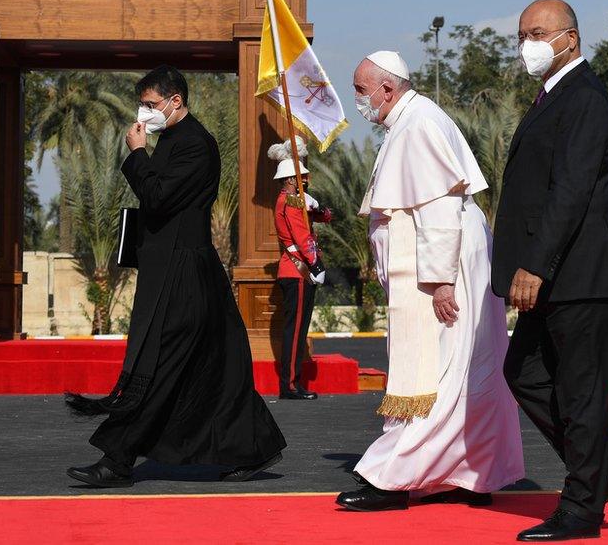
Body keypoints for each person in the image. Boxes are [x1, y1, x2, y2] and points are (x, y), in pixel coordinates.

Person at [64, 66, 286, 487]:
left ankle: (118, 459)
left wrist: (136, 154)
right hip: (169, 268)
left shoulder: (197, 145)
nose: (144, 112)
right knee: (215, 370)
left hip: (186, 275)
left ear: (175, 101)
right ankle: (256, 446)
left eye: (151, 104)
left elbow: (158, 197)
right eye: (143, 105)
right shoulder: (171, 140)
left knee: (161, 362)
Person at [336, 50, 525, 512]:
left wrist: (440, 281)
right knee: (464, 369)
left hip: (446, 265)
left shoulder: (419, 122)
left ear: (387, 88)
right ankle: (471, 472)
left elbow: (440, 207)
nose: (357, 100)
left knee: (441, 369)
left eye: (361, 90)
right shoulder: (406, 121)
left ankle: (394, 478)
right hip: (443, 262)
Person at [491, 0, 608, 540]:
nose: (526, 43)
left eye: (537, 33)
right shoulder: (553, 97)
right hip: (555, 275)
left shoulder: (586, 98)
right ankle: (602, 470)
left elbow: (571, 191)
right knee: (523, 372)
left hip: (580, 273)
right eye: (521, 34)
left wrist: (534, 265)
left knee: (583, 394)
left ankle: (581, 511)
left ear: (569, 39)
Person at [270, 136, 330, 400]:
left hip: (294, 269)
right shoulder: (290, 202)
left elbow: (324, 217)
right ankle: (290, 385)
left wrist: (319, 208)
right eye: (301, 177)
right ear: (291, 179)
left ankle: (292, 383)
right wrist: (315, 263)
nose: (305, 180)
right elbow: (302, 236)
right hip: (297, 270)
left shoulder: (294, 200)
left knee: (298, 328)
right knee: (295, 331)